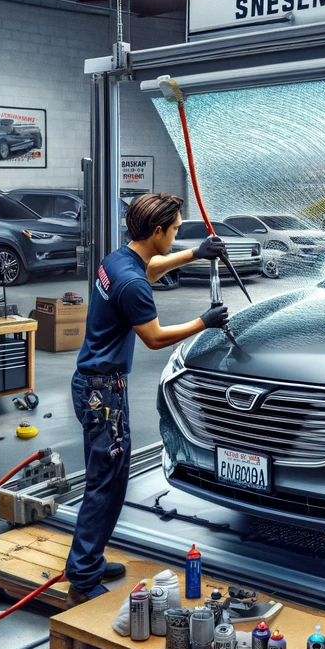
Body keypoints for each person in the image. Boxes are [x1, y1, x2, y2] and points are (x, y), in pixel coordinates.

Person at [64, 193, 229, 607]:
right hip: (104, 393)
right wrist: (202, 322)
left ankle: (91, 560)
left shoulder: (118, 260)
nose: (175, 236)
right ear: (156, 230)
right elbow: (154, 338)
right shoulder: (133, 283)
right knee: (106, 485)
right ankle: (83, 578)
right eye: (174, 231)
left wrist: (195, 252)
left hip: (91, 383)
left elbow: (149, 268)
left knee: (107, 480)